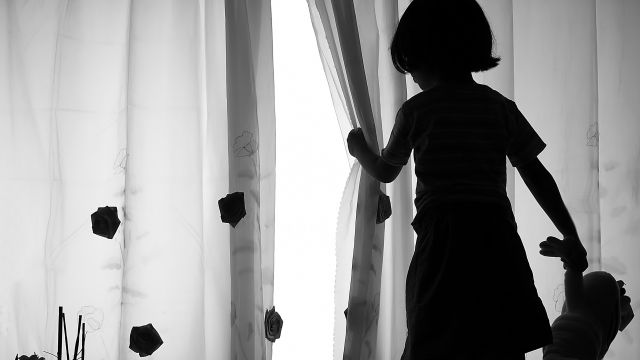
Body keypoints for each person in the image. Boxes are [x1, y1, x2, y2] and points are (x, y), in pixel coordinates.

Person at [346, 0, 588, 358]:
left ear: (424, 53)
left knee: (435, 338)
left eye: (410, 64)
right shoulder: (498, 106)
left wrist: (358, 149)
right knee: (501, 337)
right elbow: (537, 174)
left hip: (443, 240)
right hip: (496, 239)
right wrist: (571, 234)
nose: (410, 76)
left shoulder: (417, 110)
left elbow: (385, 170)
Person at [539, 236, 635, 360]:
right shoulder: (579, 312)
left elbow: (574, 277)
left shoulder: (577, 310)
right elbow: (574, 277)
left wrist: (572, 262)